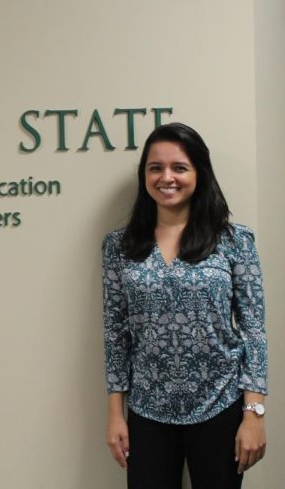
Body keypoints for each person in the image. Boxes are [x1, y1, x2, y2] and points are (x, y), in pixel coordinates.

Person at [101, 122, 267, 489]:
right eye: (155, 168)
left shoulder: (234, 241)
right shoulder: (119, 247)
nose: (167, 177)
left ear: (199, 173)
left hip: (220, 405)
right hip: (147, 411)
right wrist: (116, 413)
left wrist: (254, 414)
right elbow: (115, 333)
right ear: (144, 174)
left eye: (180, 167)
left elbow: (254, 329)